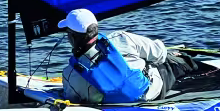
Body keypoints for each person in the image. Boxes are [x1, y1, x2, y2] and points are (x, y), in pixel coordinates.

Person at [58, 8, 198, 104]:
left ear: (73, 38)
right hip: (153, 91)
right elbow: (159, 54)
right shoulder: (121, 38)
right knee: (169, 60)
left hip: (120, 106)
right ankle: (189, 61)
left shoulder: (70, 74)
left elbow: (73, 99)